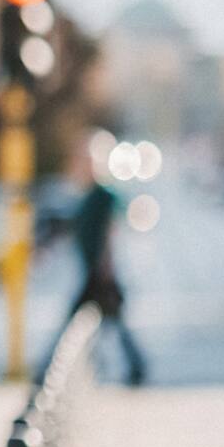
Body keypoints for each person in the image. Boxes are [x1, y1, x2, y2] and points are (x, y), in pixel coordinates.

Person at [44, 138, 147, 385]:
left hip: (98, 272)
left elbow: (110, 232)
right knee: (111, 322)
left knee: (80, 322)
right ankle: (132, 367)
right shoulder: (87, 194)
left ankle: (50, 372)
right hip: (92, 270)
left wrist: (106, 266)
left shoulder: (103, 195)